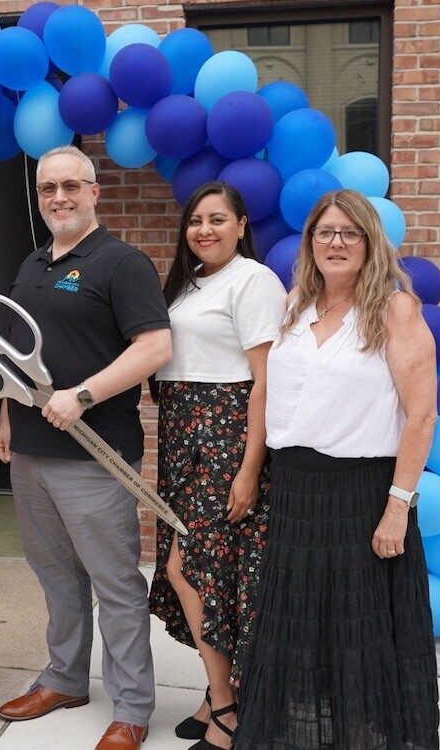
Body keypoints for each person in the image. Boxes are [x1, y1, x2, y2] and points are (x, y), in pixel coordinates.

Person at [234, 189, 440, 749]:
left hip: (361, 495)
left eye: (350, 232)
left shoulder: (395, 310)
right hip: (295, 492)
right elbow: (268, 392)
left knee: (357, 635)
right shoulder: (295, 303)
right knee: (301, 631)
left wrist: (398, 508)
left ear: (370, 242)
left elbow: (421, 416)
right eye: (325, 231)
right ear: (310, 242)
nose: (336, 242)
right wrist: (252, 471)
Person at [0, 145, 172, 750]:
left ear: (95, 192)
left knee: (115, 585)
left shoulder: (123, 263)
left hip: (96, 455)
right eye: (48, 188)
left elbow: (154, 348)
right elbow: (15, 356)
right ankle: (65, 679)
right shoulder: (32, 264)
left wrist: (84, 395)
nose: (60, 197)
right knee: (56, 576)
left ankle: (132, 707)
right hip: (31, 453)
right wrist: (6, 420)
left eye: (71, 185)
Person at [149, 182, 286, 750]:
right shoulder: (188, 283)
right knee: (202, 571)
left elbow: (265, 382)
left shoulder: (254, 280)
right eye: (195, 221)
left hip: (225, 434)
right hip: (182, 433)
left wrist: (250, 468)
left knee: (191, 568)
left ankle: (228, 710)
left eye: (218, 219)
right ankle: (217, 693)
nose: (204, 230)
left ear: (242, 225)